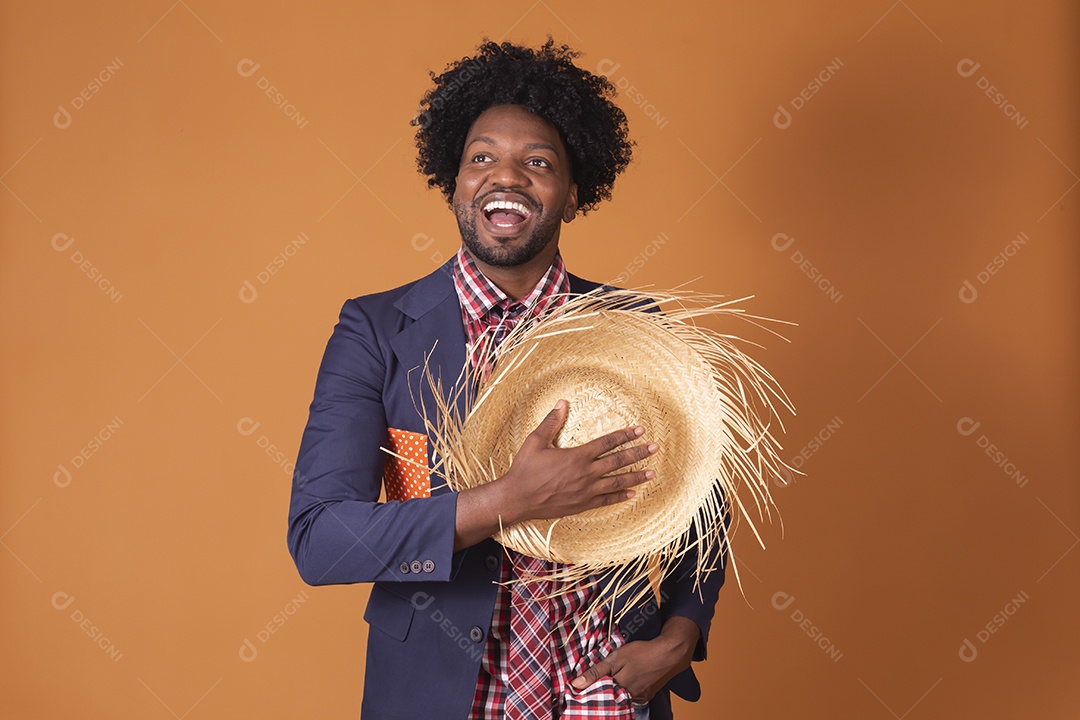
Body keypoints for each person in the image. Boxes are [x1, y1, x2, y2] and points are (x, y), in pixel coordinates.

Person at [287, 40, 726, 720]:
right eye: (482, 158)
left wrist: (680, 634)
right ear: (454, 182)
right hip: (439, 695)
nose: (507, 177)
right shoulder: (377, 330)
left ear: (573, 195)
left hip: (603, 692)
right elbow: (321, 539)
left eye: (539, 162)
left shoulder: (634, 326)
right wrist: (507, 500)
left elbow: (700, 504)